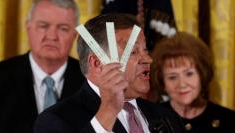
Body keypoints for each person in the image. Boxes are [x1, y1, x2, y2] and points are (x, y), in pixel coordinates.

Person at [34, 13, 184, 133]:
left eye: (145, 50)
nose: (148, 59)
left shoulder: (167, 117)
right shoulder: (55, 121)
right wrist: (108, 112)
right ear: (97, 64)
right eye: (132, 52)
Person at [0, 0, 85, 133]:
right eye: (43, 26)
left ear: (74, 36)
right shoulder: (1, 76)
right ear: (28, 28)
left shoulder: (91, 80)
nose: (51, 36)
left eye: (63, 28)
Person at [150, 32, 235, 133]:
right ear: (162, 82)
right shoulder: (151, 119)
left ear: (202, 74)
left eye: (189, 74)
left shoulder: (229, 120)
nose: (182, 84)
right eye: (172, 77)